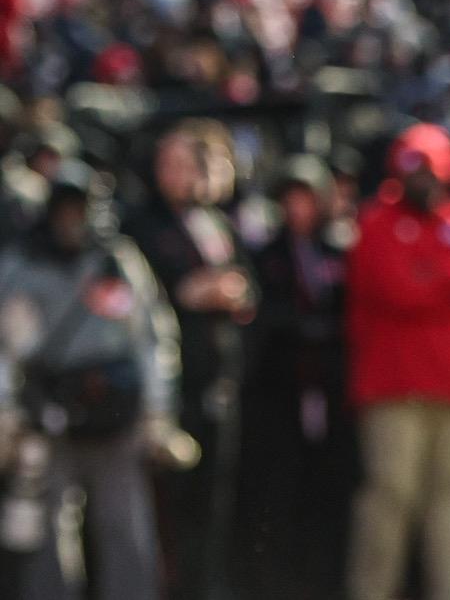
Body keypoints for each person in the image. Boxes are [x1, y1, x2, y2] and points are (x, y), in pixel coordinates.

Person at [345, 123, 450, 600]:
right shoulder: (376, 222)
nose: (423, 181)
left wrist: (432, 271)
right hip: (394, 387)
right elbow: (398, 289)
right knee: (390, 497)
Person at [0, 162, 185, 600]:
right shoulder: (22, 266)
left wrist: (159, 411)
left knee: (126, 527)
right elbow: (5, 346)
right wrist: (6, 410)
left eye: (78, 210)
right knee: (45, 531)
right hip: (47, 416)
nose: (71, 221)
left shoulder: (118, 260)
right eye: (62, 210)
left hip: (115, 414)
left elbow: (151, 338)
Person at [124, 121, 252, 600]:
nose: (174, 174)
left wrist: (237, 292)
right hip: (170, 389)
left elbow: (249, 281)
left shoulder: (218, 222)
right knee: (169, 505)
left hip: (222, 381)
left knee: (214, 501)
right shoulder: (140, 225)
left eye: (184, 163)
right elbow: (136, 299)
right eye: (167, 164)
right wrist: (184, 294)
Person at [235, 155, 353, 600]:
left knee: (328, 493)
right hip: (279, 392)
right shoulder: (266, 257)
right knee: (279, 492)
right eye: (290, 199)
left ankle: (325, 582)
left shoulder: (341, 251)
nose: (298, 209)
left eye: (307, 198)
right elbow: (263, 319)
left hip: (332, 389)